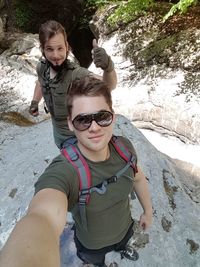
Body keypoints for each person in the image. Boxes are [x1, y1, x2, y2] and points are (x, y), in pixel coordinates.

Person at [0, 76, 152, 267]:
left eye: (102, 116)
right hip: (91, 245)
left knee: (122, 242)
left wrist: (148, 211)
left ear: (113, 116)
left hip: (125, 227)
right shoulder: (65, 171)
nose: (95, 127)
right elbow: (42, 217)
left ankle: (123, 247)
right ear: (70, 124)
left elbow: (137, 178)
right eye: (83, 120)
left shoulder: (124, 147)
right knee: (94, 260)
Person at [29, 20, 117, 148]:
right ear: (42, 49)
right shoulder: (42, 68)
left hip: (77, 137)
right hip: (58, 135)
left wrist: (108, 67)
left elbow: (109, 86)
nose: (56, 55)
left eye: (60, 48)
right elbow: (41, 82)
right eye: (49, 49)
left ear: (66, 46)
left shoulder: (76, 74)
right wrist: (35, 102)